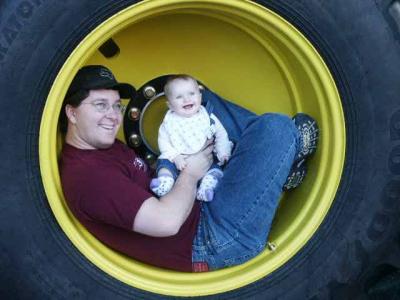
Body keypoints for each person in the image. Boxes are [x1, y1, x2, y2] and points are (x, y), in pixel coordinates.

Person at [60, 65, 319, 272]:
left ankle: (283, 161)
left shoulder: (101, 148)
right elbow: (167, 222)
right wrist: (192, 172)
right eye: (100, 105)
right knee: (276, 129)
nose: (114, 116)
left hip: (200, 201)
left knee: (196, 99)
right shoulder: (89, 177)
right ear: (71, 113)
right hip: (211, 239)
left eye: (116, 105)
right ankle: (287, 155)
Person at [150, 75, 233, 202]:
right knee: (164, 164)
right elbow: (163, 141)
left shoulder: (207, 116)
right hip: (178, 159)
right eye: (179, 97)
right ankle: (164, 181)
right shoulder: (169, 122)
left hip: (206, 160)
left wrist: (223, 151)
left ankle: (206, 189)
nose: (186, 99)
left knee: (216, 168)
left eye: (192, 94)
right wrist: (175, 156)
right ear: (170, 105)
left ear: (200, 97)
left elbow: (221, 135)